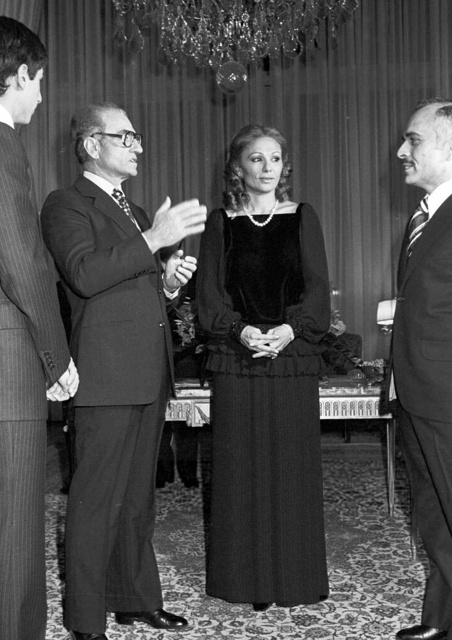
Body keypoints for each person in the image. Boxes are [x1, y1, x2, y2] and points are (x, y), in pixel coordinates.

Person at [41, 102, 207, 640]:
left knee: (137, 499)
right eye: (126, 137)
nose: (138, 146)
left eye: (138, 137)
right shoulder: (66, 204)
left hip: (147, 372)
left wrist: (168, 284)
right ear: (93, 145)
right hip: (105, 375)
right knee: (94, 504)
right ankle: (86, 621)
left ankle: (135, 600)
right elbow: (85, 275)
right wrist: (154, 240)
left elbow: (132, 287)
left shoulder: (133, 210)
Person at [0, 16, 79, 640]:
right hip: (2, 370)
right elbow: (21, 262)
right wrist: (58, 357)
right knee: (10, 544)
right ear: (21, 74)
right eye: (41, 81)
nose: (42, 95)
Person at [196, 124, 330, 611]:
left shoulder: (302, 217)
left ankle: (295, 579)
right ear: (238, 167)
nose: (267, 167)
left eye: (275, 158)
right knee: (241, 472)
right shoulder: (221, 223)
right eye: (256, 158)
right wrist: (241, 331)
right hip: (237, 359)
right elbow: (209, 294)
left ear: (284, 167)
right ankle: (245, 583)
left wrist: (291, 329)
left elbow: (317, 287)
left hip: (292, 358)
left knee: (292, 470)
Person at [391, 99, 452, 640]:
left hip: (451, 396)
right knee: (436, 517)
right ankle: (443, 620)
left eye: (413, 140)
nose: (400, 151)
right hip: (417, 393)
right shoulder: (424, 216)